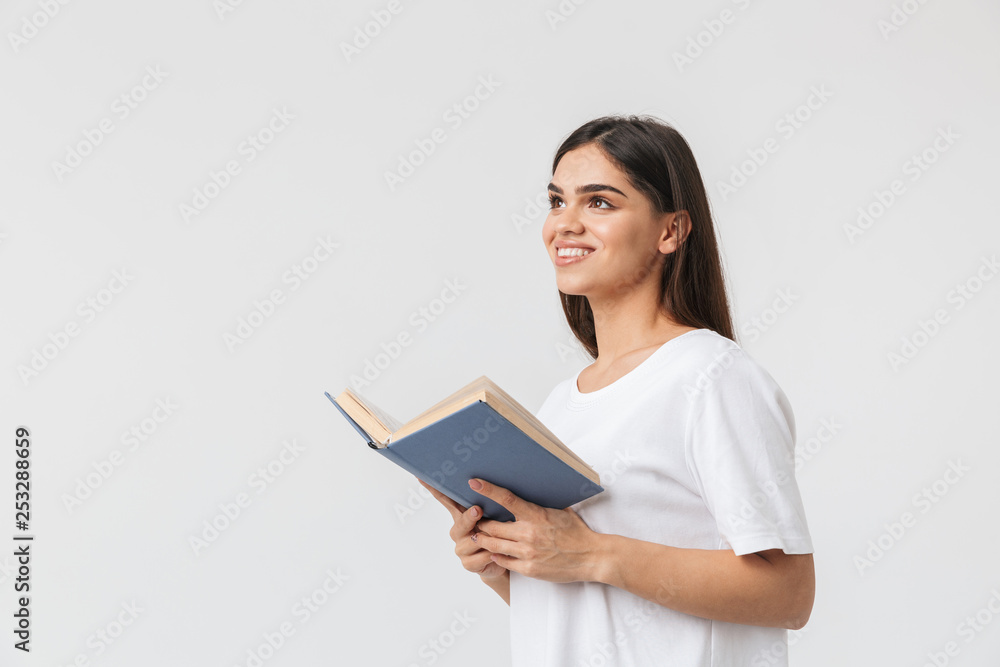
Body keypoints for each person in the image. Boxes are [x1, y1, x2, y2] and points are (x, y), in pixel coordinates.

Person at [419, 114, 815, 666]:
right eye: (557, 201)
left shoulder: (712, 378)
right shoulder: (562, 403)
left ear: (671, 231)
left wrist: (590, 553)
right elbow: (592, 609)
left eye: (599, 202)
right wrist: (506, 563)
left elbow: (789, 594)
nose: (565, 223)